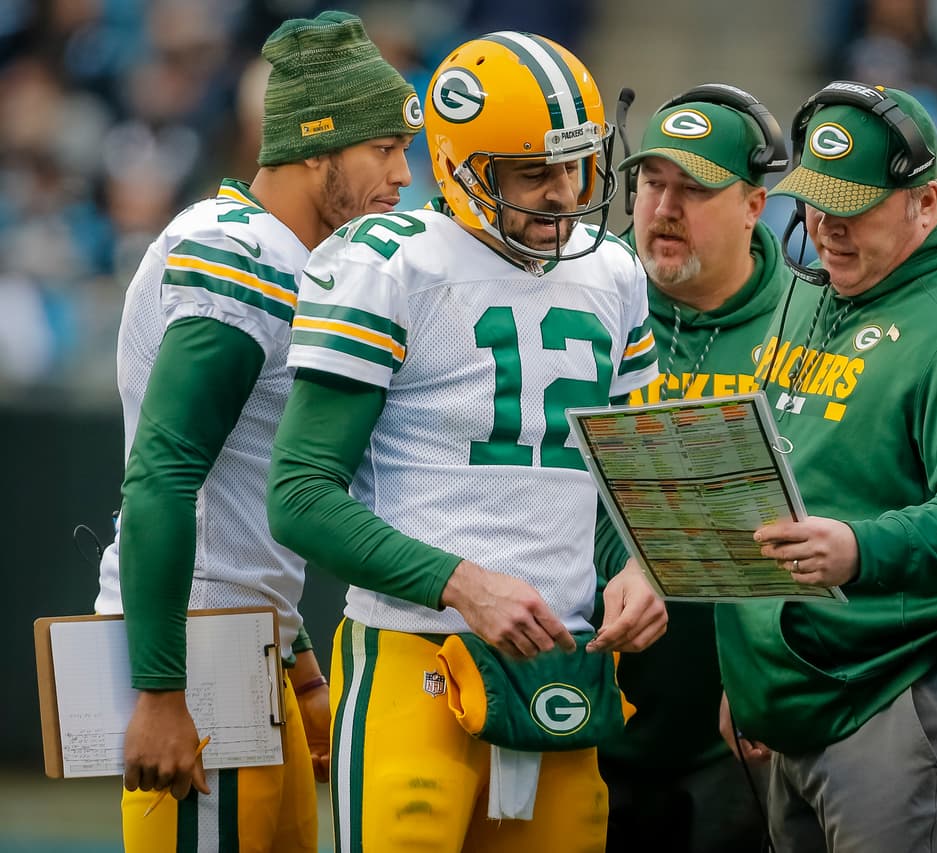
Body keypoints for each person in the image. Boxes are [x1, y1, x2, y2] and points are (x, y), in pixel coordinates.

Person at [266, 31, 667, 853]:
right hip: (415, 663)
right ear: (463, 168)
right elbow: (300, 495)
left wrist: (640, 564)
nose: (564, 193)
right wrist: (459, 581)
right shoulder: (390, 264)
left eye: (578, 163)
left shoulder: (615, 271)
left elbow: (628, 481)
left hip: (563, 665)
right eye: (535, 172)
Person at [92, 10, 421, 850]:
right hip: (199, 650)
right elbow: (163, 476)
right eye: (383, 149)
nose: (401, 175)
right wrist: (163, 690)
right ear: (319, 147)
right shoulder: (235, 253)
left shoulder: (288, 255)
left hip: (249, 643)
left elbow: (241, 492)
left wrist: (298, 654)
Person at [714, 81, 937, 852]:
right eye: (815, 205)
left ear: (928, 200)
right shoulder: (813, 297)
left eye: (855, 209)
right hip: (800, 694)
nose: (827, 230)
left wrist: (862, 550)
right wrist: (750, 664)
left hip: (910, 690)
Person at [598, 84, 789, 853]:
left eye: (694, 188)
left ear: (754, 204)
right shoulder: (589, 305)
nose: (664, 207)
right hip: (580, 711)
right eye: (652, 183)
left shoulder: (809, 325)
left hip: (731, 742)